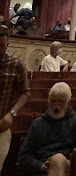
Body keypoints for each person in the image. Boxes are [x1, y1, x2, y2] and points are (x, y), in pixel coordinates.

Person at [19, 82, 76, 175]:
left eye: (61, 102)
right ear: (48, 102)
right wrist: (41, 166)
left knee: (58, 159)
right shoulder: (37, 124)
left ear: (68, 103)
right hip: (43, 167)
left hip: (68, 166)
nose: (56, 106)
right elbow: (24, 156)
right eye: (53, 101)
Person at [0, 25, 30, 173]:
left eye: (1, 46)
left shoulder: (16, 65)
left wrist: (12, 113)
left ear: (7, 45)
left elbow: (25, 92)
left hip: (1, 128)